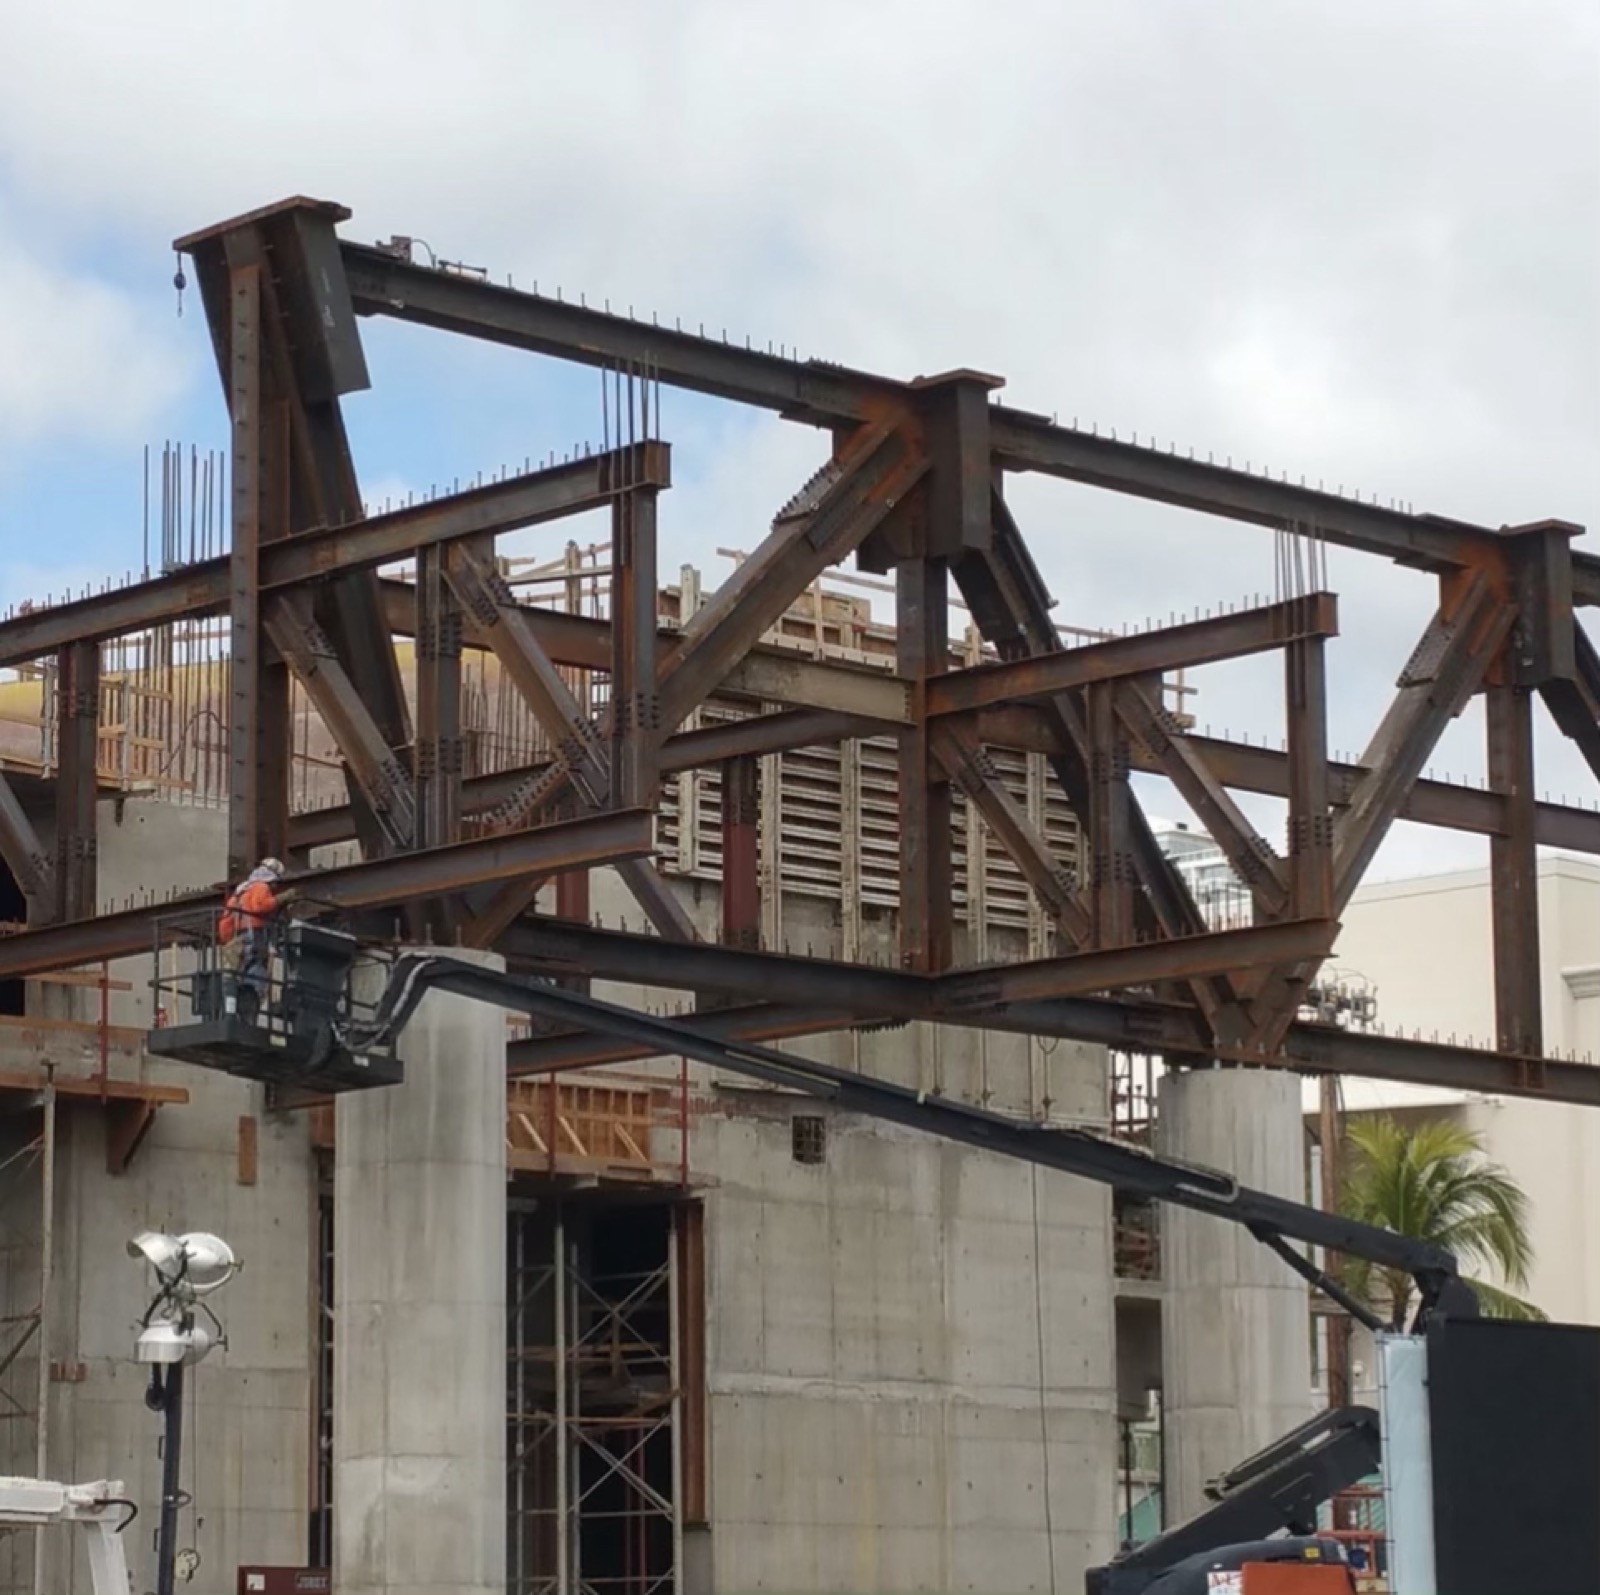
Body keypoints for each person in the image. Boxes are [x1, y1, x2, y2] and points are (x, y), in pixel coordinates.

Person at [218, 857, 294, 1020]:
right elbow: (260, 906)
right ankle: (249, 1016)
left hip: (236, 942)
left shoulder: (239, 893)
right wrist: (282, 898)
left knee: (238, 978)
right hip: (255, 938)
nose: (274, 886)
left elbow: (224, 924)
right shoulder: (260, 886)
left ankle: (235, 1015)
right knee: (256, 979)